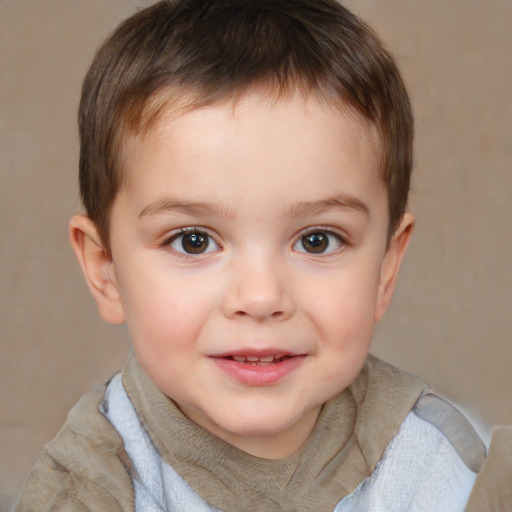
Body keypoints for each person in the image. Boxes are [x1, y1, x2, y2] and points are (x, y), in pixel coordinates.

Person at [12, 0, 511, 510]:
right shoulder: (88, 487)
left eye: (317, 240)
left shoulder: (437, 464)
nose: (260, 297)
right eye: (193, 240)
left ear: (385, 268)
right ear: (106, 271)